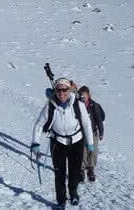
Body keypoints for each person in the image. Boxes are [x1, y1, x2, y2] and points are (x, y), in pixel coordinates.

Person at [30, 77, 94, 209]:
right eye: (58, 90)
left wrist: (90, 143)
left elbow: (87, 123)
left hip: (76, 141)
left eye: (64, 90)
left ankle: (73, 193)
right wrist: (35, 143)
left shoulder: (78, 104)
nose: (61, 93)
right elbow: (39, 124)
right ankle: (61, 200)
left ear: (69, 90)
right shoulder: (50, 105)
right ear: (55, 91)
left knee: (74, 172)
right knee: (59, 173)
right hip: (58, 142)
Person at [78, 86, 104, 182]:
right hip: (80, 132)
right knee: (83, 151)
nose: (83, 99)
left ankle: (91, 168)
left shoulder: (94, 105)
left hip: (93, 131)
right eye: (81, 97)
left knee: (93, 150)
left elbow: (99, 120)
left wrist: (101, 133)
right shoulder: (77, 105)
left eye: (84, 97)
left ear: (88, 96)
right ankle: (81, 169)